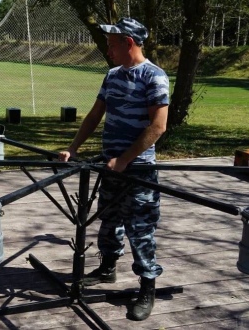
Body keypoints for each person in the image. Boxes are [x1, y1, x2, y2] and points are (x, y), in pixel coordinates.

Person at [58, 17, 169, 321]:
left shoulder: (154, 77)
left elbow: (158, 126)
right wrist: (74, 147)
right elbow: (95, 115)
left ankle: (147, 288)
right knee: (108, 219)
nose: (108, 49)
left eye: (111, 43)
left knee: (141, 230)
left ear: (128, 43)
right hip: (110, 166)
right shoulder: (112, 76)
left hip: (138, 171)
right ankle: (108, 268)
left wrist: (125, 160)